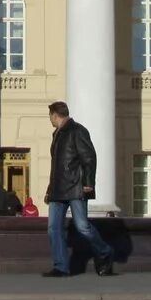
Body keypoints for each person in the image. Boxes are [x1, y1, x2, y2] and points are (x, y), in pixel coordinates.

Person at [43, 101, 115, 277]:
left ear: (55, 115)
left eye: (50, 116)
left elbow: (89, 157)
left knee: (82, 226)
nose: (50, 120)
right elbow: (56, 167)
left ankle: (105, 252)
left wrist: (89, 182)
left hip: (76, 186)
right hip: (58, 189)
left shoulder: (77, 131)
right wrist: (49, 190)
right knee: (53, 228)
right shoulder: (57, 134)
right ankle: (61, 267)